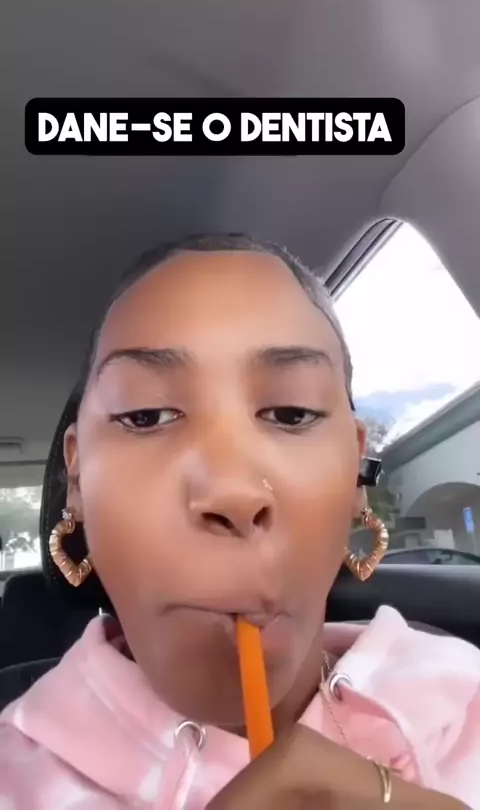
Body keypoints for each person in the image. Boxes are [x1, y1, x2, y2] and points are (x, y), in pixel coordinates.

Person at [0, 234, 478, 809]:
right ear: (77, 480)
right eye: (146, 415)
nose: (231, 490)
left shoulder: (464, 697)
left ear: (356, 472)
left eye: (292, 413)